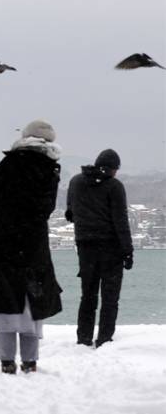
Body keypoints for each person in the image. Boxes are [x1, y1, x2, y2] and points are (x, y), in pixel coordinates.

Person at [0, 120, 63, 374]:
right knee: (33, 300)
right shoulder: (51, 168)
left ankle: (7, 360)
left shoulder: (12, 162)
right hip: (34, 240)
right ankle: (31, 361)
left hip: (4, 238)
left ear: (25, 137)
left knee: (6, 299)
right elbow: (47, 208)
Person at [65, 148, 133, 348]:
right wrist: (128, 251)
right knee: (110, 297)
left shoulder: (75, 182)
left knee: (88, 295)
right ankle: (104, 339)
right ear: (112, 169)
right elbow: (121, 221)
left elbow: (70, 214)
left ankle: (83, 338)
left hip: (85, 247)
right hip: (110, 248)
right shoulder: (114, 186)